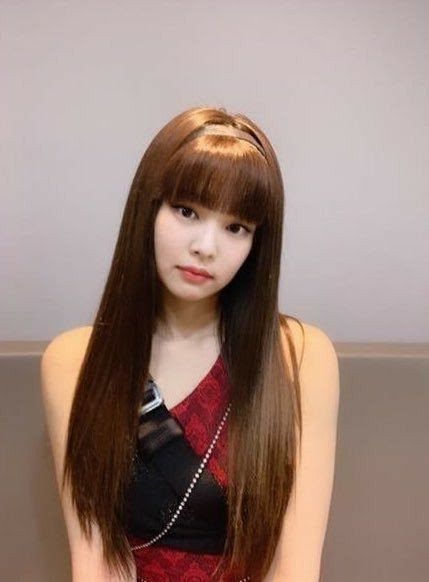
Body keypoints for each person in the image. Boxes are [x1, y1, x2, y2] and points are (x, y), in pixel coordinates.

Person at [40, 106, 340, 582]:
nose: (206, 246)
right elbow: (96, 560)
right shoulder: (74, 361)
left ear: (256, 243)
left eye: (236, 227)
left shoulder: (300, 356)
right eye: (187, 211)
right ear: (148, 208)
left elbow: (296, 567)